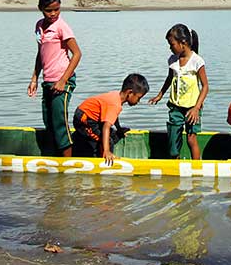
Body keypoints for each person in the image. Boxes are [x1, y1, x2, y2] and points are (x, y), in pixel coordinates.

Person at [27, 0, 82, 156]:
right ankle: (55, 159)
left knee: (60, 123)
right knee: (48, 121)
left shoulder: (61, 27)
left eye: (56, 9)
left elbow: (77, 54)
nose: (53, 14)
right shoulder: (39, 26)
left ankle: (68, 164)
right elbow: (41, 54)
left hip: (62, 81)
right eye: (48, 10)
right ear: (40, 9)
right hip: (48, 81)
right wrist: (34, 78)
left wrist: (63, 80)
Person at [147, 24, 209, 159]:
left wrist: (197, 108)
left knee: (191, 139)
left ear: (183, 43)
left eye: (172, 44)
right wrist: (160, 95)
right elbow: (169, 79)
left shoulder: (197, 61)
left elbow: (205, 86)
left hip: (192, 107)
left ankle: (196, 169)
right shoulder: (172, 60)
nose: (170, 48)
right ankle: (177, 165)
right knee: (174, 143)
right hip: (176, 106)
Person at [72, 74, 150, 164]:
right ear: (130, 93)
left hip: (92, 119)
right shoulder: (114, 104)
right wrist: (107, 150)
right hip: (84, 119)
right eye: (138, 98)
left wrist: (119, 129)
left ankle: (82, 139)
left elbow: (113, 117)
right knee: (108, 141)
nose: (138, 101)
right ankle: (103, 158)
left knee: (115, 135)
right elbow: (106, 127)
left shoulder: (116, 97)